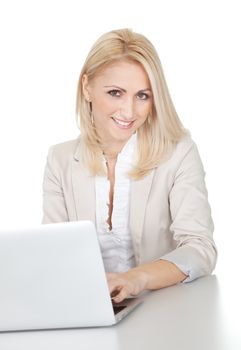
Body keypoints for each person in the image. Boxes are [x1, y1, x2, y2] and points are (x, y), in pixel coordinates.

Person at [42, 28, 217, 303]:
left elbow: (200, 249)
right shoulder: (60, 160)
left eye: (142, 96)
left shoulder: (179, 153)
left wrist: (135, 278)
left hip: (163, 313)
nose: (129, 111)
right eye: (115, 93)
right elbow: (50, 253)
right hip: (87, 310)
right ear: (87, 87)